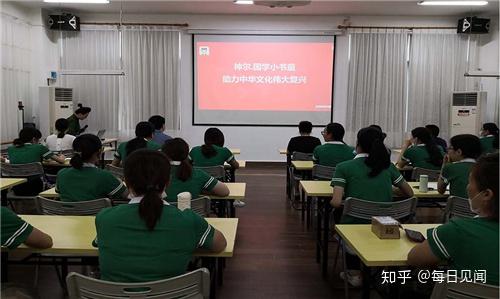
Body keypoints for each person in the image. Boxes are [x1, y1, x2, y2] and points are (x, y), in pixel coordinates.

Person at [93, 149, 227, 282]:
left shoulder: (105, 218)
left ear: (126, 183)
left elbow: (98, 244)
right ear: (167, 182)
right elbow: (220, 245)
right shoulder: (188, 220)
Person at [330, 127, 414, 287]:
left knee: (337, 216)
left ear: (358, 144)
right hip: (385, 225)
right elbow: (409, 193)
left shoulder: (344, 167)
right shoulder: (388, 166)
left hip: (353, 227)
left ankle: (355, 274)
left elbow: (335, 201)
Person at [408, 153, 499, 286]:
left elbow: (414, 258)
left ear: (486, 194)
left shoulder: (458, 230)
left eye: (470, 182)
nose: (467, 187)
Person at [56, 134, 127, 202]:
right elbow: (126, 195)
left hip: (65, 214)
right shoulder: (105, 176)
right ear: (99, 152)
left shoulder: (62, 174)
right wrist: (119, 181)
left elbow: (58, 191)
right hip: (97, 214)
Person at [163, 138, 229, 202]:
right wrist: (201, 190)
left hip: (162, 212)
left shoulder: (157, 173)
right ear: (186, 154)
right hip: (191, 212)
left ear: (164, 154)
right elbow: (225, 192)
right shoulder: (198, 174)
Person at [7, 127, 65, 195]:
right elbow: (60, 161)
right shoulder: (39, 147)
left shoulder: (11, 149)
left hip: (17, 186)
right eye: (38, 140)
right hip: (36, 186)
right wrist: (62, 157)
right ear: (34, 139)